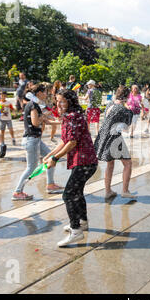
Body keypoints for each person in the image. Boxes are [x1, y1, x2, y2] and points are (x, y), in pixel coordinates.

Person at [43, 89, 98, 247]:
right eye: (57, 101)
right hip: (85, 161)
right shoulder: (73, 115)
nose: (59, 105)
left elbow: (72, 142)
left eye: (62, 101)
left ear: (71, 102)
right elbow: (64, 141)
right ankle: (82, 222)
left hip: (84, 161)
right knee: (77, 192)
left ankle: (76, 231)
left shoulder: (72, 116)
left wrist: (55, 158)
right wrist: (50, 155)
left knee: (68, 195)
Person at [12, 84, 63, 201]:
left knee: (51, 157)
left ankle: (50, 185)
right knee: (31, 167)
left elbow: (46, 121)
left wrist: (61, 122)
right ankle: (17, 192)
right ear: (39, 93)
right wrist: (45, 114)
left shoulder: (36, 106)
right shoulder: (33, 105)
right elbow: (35, 123)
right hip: (32, 140)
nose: (46, 94)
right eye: (45, 92)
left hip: (35, 139)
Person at [94, 85, 136, 199]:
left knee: (110, 163)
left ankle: (108, 191)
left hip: (103, 135)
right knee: (128, 163)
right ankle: (125, 191)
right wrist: (127, 107)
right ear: (127, 96)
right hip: (114, 137)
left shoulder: (109, 104)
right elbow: (126, 127)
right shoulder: (123, 110)